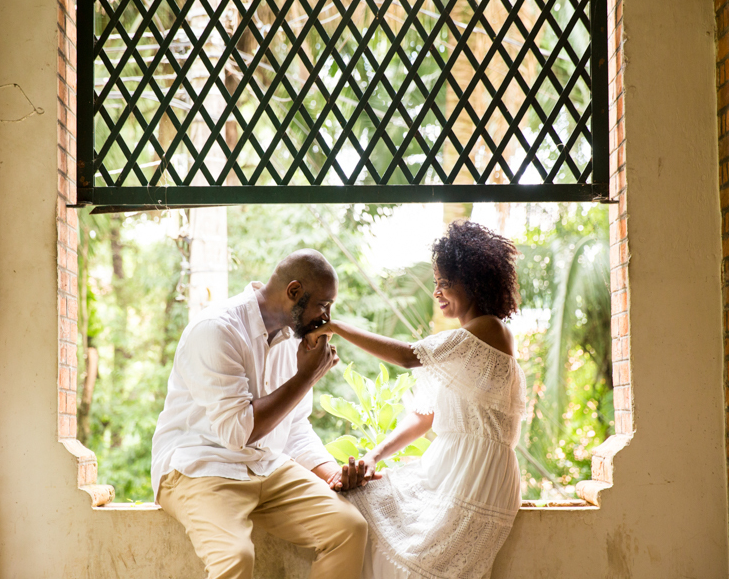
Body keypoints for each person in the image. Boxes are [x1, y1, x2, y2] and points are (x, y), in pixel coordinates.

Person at [306, 220, 526, 579]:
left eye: (444, 282)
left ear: (471, 282)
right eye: (435, 283)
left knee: (417, 567)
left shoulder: (490, 329)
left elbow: (409, 355)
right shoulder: (462, 346)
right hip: (448, 468)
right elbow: (424, 417)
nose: (436, 292)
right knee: (359, 503)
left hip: (477, 473)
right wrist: (373, 456)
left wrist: (337, 327)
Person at [151, 249, 368, 579]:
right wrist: (306, 376)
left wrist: (332, 473)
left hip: (266, 466)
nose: (327, 317)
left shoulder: (293, 341)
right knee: (235, 558)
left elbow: (294, 426)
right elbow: (238, 433)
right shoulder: (216, 330)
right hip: (200, 467)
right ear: (293, 292)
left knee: (349, 528)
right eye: (323, 305)